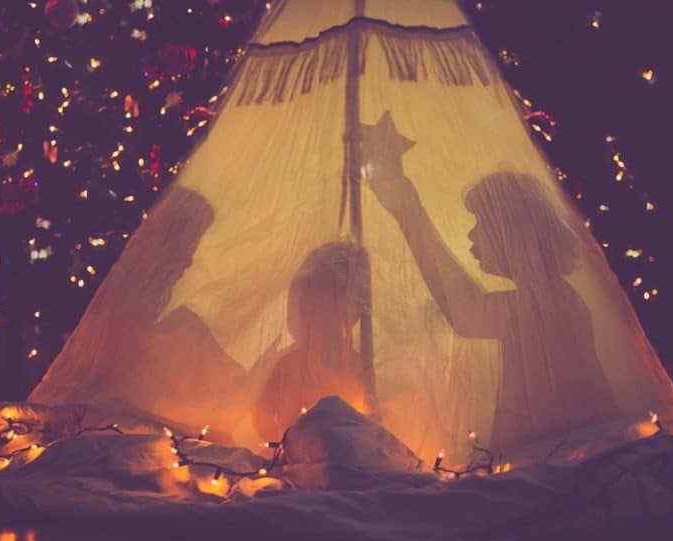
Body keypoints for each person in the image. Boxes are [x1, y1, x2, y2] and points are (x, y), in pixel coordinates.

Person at [365, 151, 619, 450]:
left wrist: (409, 211)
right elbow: (468, 308)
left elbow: (466, 314)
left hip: (561, 455)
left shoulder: (544, 303)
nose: (472, 236)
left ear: (513, 235)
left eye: (481, 225)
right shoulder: (551, 297)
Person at [254, 242, 371, 441]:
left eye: (338, 302)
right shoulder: (286, 366)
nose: (327, 316)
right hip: (294, 464)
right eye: (320, 304)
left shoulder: (362, 367)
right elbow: (262, 417)